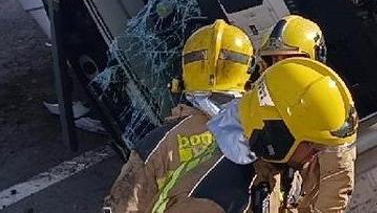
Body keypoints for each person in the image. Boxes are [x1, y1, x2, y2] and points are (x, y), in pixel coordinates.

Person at [104, 20, 265, 212]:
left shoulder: (157, 144)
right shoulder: (262, 134)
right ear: (250, 74)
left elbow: (122, 205)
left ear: (184, 75)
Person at [209, 58, 358, 213]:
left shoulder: (260, 163)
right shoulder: (219, 197)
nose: (315, 154)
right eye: (311, 145)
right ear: (279, 134)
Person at [254, 16, 356, 213]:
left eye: (287, 60)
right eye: (272, 60)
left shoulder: (327, 109)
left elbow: (336, 179)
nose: (279, 68)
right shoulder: (257, 103)